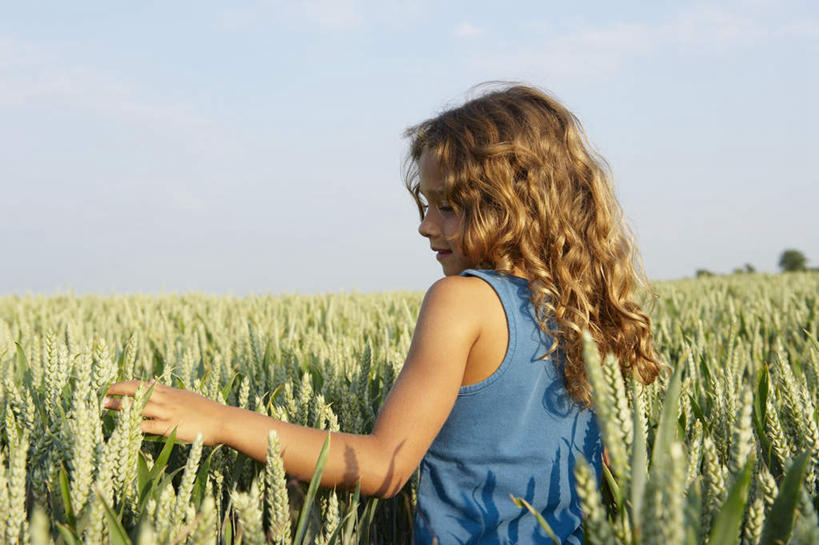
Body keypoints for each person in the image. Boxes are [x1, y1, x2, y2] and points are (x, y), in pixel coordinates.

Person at [105, 83, 662, 544]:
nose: (426, 225)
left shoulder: (462, 301)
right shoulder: (589, 310)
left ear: (510, 208)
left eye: (449, 206)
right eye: (427, 204)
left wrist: (222, 422)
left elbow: (383, 468)